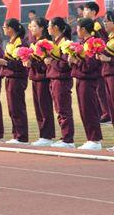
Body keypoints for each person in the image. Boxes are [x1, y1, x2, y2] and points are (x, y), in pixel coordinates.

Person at [70, 18, 103, 150]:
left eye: (77, 28)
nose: (76, 30)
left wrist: (76, 60)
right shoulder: (83, 42)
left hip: (89, 80)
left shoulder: (91, 43)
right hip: (81, 79)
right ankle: (90, 138)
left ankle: (95, 140)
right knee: (84, 109)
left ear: (83, 29)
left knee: (90, 109)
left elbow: (91, 65)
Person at [22, 18, 55, 146]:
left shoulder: (46, 43)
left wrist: (34, 63)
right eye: (30, 26)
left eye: (34, 26)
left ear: (42, 28)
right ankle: (43, 134)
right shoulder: (33, 42)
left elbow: (47, 62)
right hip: (35, 77)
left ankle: (47, 135)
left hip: (44, 78)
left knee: (44, 106)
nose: (31, 28)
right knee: (38, 107)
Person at [0, 19, 29, 144]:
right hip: (10, 77)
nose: (4, 29)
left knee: (17, 107)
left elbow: (21, 64)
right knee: (12, 108)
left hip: (17, 78)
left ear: (11, 28)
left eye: (5, 27)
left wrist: (5, 62)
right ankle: (16, 134)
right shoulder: (11, 42)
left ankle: (21, 136)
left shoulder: (20, 42)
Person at [46, 18, 75, 147]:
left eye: (49, 25)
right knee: (59, 109)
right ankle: (64, 137)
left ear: (56, 27)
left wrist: (51, 61)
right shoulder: (55, 42)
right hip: (54, 78)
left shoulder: (65, 42)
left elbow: (65, 64)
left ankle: (68, 139)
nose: (48, 28)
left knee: (64, 109)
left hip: (62, 79)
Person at [82, 1, 110, 124]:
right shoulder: (89, 24)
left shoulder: (96, 25)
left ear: (93, 11)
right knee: (97, 89)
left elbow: (102, 41)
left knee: (101, 89)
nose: (84, 12)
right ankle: (102, 112)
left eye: (86, 10)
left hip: (98, 62)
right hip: (92, 60)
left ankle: (106, 113)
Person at [98, 11, 114, 152]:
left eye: (107, 21)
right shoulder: (110, 39)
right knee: (112, 109)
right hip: (108, 76)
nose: (105, 23)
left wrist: (110, 59)